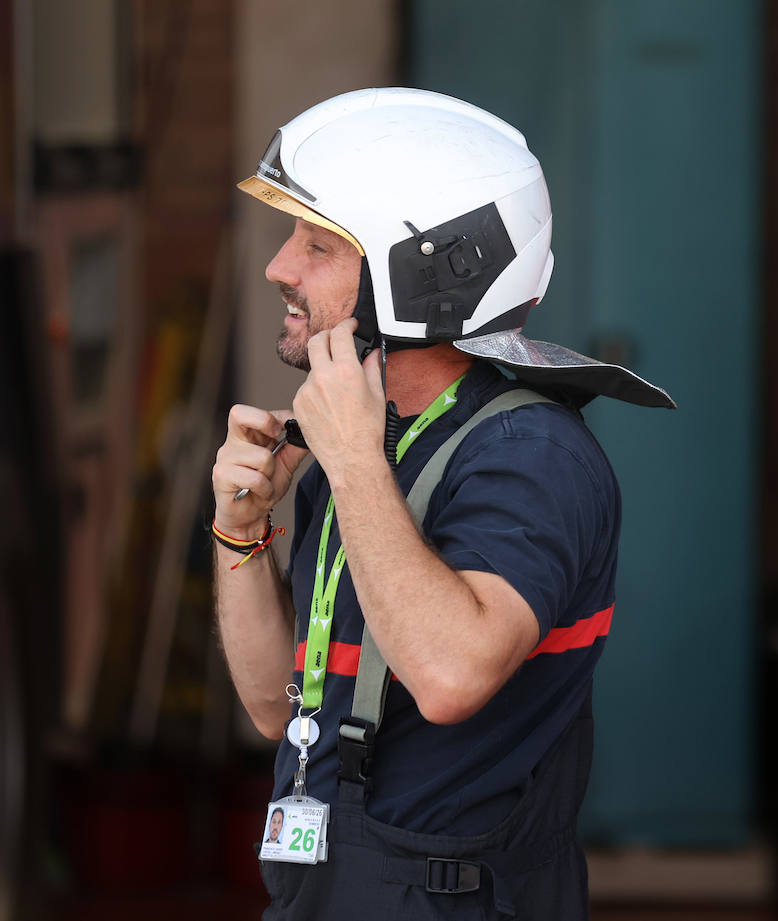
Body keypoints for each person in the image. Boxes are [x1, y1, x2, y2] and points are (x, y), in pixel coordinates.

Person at [210, 88, 673, 920]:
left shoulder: (532, 456)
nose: (280, 266)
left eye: (318, 244)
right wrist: (241, 533)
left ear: (422, 273)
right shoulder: (360, 447)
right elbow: (275, 709)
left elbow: (452, 675)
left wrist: (355, 463)